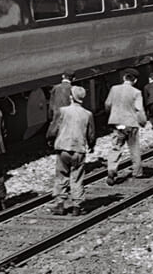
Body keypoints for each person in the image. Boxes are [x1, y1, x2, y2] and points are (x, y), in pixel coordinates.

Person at [45, 85, 94, 216]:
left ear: (71, 97)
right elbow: (91, 134)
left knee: (61, 176)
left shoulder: (62, 111)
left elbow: (53, 128)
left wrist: (50, 139)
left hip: (63, 148)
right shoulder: (88, 114)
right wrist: (91, 145)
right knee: (77, 178)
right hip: (79, 150)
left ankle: (60, 204)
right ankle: (77, 206)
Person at [104, 68, 146, 185]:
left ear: (124, 78)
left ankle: (112, 170)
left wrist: (112, 115)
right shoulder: (136, 92)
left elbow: (107, 104)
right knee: (134, 148)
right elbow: (139, 110)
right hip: (131, 123)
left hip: (117, 124)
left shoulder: (114, 89)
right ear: (135, 80)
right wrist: (143, 122)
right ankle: (137, 172)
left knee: (116, 147)